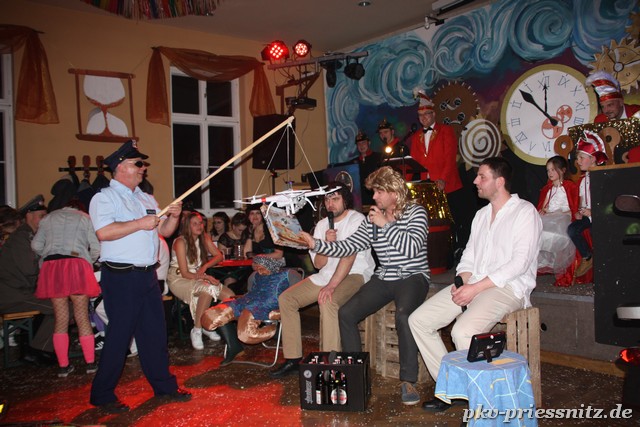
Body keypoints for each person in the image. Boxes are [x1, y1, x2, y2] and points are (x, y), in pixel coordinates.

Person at [408, 156, 542, 413]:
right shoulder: (481, 215)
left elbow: (519, 263)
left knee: (463, 331)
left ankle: (485, 402)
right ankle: (452, 388)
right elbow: (468, 256)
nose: (475, 181)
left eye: (482, 177)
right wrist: (462, 282)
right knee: (419, 321)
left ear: (499, 182)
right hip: (476, 284)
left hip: (508, 288)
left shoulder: (525, 212)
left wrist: (475, 288)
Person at [297, 166, 430, 406]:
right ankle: (355, 373)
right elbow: (348, 246)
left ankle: (408, 380)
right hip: (384, 276)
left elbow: (411, 249)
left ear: (393, 192)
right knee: (346, 313)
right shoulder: (373, 218)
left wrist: (386, 225)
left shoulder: (416, 212)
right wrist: (316, 244)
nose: (374, 197)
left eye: (378, 192)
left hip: (412, 276)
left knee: (404, 316)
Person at [88, 140, 191, 413]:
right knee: (119, 335)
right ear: (121, 167)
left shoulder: (146, 198)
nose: (143, 168)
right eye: (138, 163)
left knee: (155, 334)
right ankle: (102, 395)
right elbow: (104, 233)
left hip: (148, 275)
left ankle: (165, 386)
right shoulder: (104, 198)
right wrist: (139, 224)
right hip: (121, 276)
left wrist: (174, 217)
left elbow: (164, 232)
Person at [270, 182, 376, 378]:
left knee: (328, 301)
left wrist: (331, 286)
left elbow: (349, 257)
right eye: (327, 199)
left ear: (345, 200)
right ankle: (293, 359)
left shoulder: (357, 219)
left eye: (335, 199)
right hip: (325, 274)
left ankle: (330, 362)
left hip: (355, 273)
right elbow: (318, 264)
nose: (330, 204)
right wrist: (326, 243)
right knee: (287, 299)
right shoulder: (321, 225)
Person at [31, 198, 101, 377]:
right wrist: (88, 262)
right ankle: (90, 363)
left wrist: (48, 254)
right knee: (82, 317)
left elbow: (36, 245)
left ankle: (63, 366)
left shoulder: (48, 218)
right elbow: (95, 248)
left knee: (61, 318)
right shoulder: (84, 217)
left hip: (53, 267)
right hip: (77, 265)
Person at [201, 255, 293, 365]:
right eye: (256, 268)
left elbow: (297, 296)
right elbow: (249, 291)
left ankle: (274, 331)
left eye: (261, 268)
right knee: (214, 315)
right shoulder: (255, 275)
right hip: (248, 301)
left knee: (246, 334)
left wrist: (283, 308)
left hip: (269, 305)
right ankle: (234, 347)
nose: (259, 271)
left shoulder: (287, 274)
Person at [409, 89, 470, 252]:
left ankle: (460, 249)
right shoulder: (416, 137)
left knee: (453, 220)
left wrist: (442, 179)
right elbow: (414, 163)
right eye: (420, 116)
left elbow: (450, 159)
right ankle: (438, 252)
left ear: (434, 114)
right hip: (427, 187)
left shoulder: (446, 131)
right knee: (433, 223)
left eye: (426, 114)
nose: (423, 118)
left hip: (448, 185)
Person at [0, 195, 56, 362]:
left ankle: (35, 347)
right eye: (42, 216)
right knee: (61, 307)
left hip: (18, 292)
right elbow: (30, 269)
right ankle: (38, 349)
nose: (45, 220)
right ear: (29, 216)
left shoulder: (29, 236)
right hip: (12, 295)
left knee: (59, 302)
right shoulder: (22, 237)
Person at [167, 210, 232, 350]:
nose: (199, 226)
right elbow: (185, 273)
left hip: (198, 276)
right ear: (187, 226)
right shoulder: (180, 242)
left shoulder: (204, 237)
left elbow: (219, 256)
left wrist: (205, 266)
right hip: (179, 279)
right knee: (207, 290)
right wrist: (207, 277)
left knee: (229, 296)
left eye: (201, 223)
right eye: (194, 224)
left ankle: (207, 324)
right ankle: (197, 329)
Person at [568, 131, 608, 277]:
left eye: (581, 158)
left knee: (594, 232)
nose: (578, 161)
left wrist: (593, 212)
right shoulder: (583, 180)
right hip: (588, 216)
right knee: (572, 229)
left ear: (592, 159)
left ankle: (603, 266)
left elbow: (606, 201)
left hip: (600, 215)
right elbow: (582, 200)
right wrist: (580, 211)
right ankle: (587, 257)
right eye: (577, 158)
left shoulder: (602, 177)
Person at [536, 156, 579, 275]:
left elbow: (573, 206)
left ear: (563, 170)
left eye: (553, 170)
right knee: (537, 227)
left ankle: (556, 261)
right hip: (551, 215)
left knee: (557, 229)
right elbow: (544, 205)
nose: (550, 173)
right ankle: (545, 260)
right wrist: (543, 211)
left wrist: (560, 213)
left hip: (563, 216)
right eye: (548, 170)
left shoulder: (569, 187)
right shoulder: (548, 189)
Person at [349, 130, 384, 206]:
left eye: (363, 143)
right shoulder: (353, 162)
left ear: (369, 143)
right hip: (360, 200)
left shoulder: (379, 157)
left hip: (376, 196)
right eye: (359, 144)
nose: (361, 146)